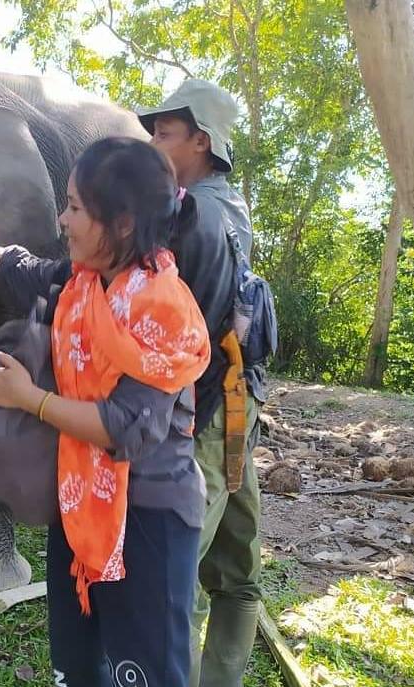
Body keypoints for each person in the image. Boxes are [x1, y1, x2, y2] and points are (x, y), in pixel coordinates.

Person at [0, 138, 211, 687]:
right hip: (80, 504)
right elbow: (10, 267)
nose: (61, 219)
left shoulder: (159, 310)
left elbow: (126, 428)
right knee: (76, 666)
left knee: (143, 673)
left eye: (74, 207)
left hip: (148, 517)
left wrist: (32, 400)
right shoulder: (79, 285)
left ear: (121, 224)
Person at [138, 79, 265, 687]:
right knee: (238, 572)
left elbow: (190, 339)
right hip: (243, 406)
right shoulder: (230, 205)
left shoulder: (196, 213)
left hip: (212, 414)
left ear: (202, 141)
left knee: (178, 574)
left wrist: (172, 428)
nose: (154, 143)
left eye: (165, 133)